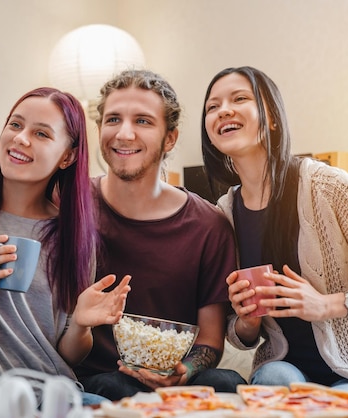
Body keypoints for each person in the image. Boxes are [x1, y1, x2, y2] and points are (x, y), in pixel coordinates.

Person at [201, 66, 348, 400]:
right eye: (212, 107)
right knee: (269, 382)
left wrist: (327, 305)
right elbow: (240, 337)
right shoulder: (221, 215)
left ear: (272, 119)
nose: (223, 110)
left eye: (239, 98)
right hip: (284, 365)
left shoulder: (329, 187)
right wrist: (247, 320)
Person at [73, 69, 246, 401]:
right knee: (113, 388)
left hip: (175, 382)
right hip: (97, 383)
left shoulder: (209, 225)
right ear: (99, 129)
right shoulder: (70, 207)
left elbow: (210, 339)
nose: (124, 134)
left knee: (227, 382)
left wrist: (186, 372)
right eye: (113, 120)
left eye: (142, 121)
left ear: (170, 138)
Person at [0, 87, 131, 405]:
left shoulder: (73, 235)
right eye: (15, 125)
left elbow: (68, 354)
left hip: (55, 393)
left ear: (67, 156)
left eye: (41, 134)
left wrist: (81, 325)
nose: (20, 139)